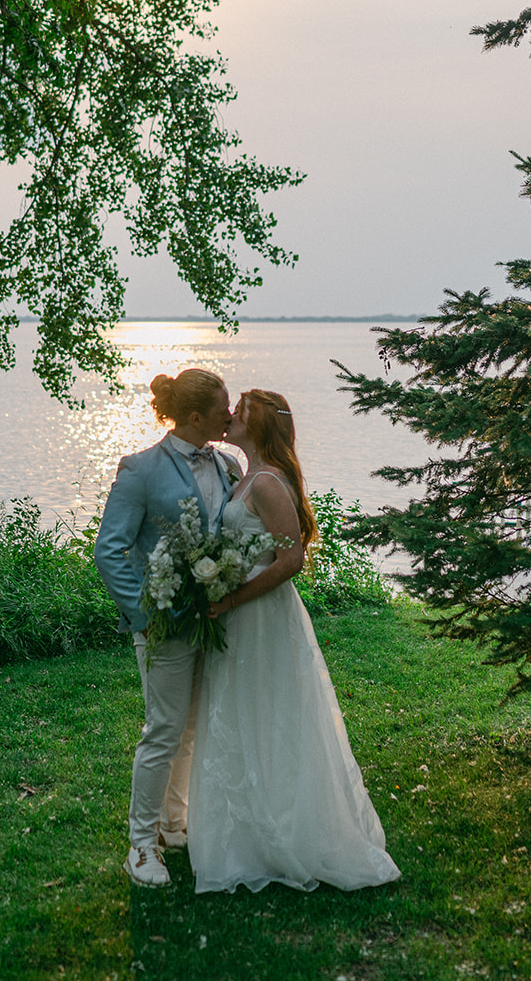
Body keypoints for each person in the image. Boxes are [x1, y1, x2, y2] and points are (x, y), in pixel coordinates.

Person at [187, 389, 401, 894]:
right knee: (244, 714)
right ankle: (249, 833)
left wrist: (231, 598)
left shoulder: (266, 483)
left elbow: (290, 561)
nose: (231, 416)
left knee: (272, 715)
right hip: (241, 614)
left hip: (261, 617)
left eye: (240, 411)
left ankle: (290, 834)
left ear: (258, 426)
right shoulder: (245, 478)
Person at [94, 367, 236, 887]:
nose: (231, 412)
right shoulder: (140, 470)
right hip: (162, 626)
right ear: (196, 416)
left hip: (213, 621)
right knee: (162, 731)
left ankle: (175, 825)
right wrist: (145, 616)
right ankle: (140, 846)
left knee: (192, 728)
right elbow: (109, 550)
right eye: (224, 406)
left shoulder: (226, 464)